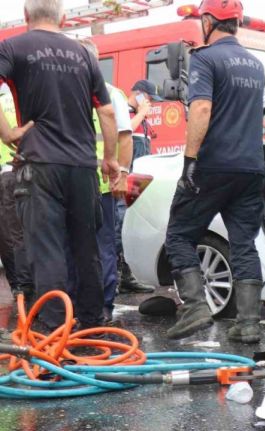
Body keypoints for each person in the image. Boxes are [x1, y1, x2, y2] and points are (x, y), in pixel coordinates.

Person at [0, 0, 120, 330]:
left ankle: (56, 332)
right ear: (64, 18)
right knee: (86, 249)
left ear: (26, 16)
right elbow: (107, 112)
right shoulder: (84, 54)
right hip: (83, 167)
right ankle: (93, 326)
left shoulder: (13, 47)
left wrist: (8, 132)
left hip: (40, 166)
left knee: (48, 251)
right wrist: (110, 159)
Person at [164, 0, 265, 341]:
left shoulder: (205, 58)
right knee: (244, 243)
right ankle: (248, 323)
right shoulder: (256, 65)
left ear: (208, 21)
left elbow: (201, 109)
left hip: (213, 165)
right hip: (251, 168)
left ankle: (195, 307)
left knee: (179, 235)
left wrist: (189, 161)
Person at [69, 39, 134, 323]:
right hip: (76, 184)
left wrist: (123, 174)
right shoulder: (72, 90)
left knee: (101, 247)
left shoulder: (111, 94)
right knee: (78, 247)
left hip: (102, 184)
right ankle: (80, 305)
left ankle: (103, 304)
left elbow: (125, 137)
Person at [113, 80, 160, 295]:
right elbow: (124, 131)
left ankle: (127, 276)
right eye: (149, 98)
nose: (151, 103)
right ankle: (114, 277)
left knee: (131, 229)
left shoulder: (143, 119)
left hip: (139, 183)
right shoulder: (124, 110)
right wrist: (141, 113)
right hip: (125, 181)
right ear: (139, 94)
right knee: (119, 228)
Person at [0, 89, 33, 303]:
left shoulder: (6, 100)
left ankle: (20, 285)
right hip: (22, 170)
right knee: (21, 232)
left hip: (9, 171)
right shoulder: (29, 96)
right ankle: (26, 285)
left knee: (11, 233)